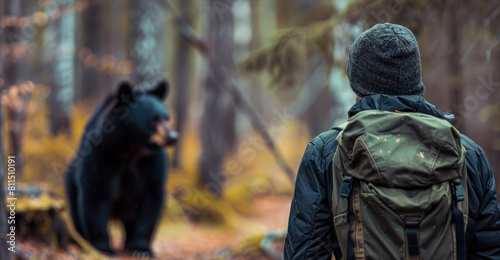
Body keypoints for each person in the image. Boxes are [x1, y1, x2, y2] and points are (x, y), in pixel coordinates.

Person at [283, 23, 500, 260]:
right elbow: (489, 251)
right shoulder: (468, 153)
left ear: (358, 84)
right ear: (415, 80)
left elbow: (305, 255)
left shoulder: (326, 151)